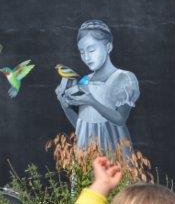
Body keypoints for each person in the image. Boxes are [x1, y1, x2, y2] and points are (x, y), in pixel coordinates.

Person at [55, 19, 140, 155]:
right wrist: (63, 102)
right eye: (82, 52)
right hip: (86, 150)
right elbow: (81, 125)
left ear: (108, 47)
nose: (86, 57)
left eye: (91, 50)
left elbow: (120, 119)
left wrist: (92, 101)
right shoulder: (84, 81)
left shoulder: (123, 78)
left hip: (113, 148)